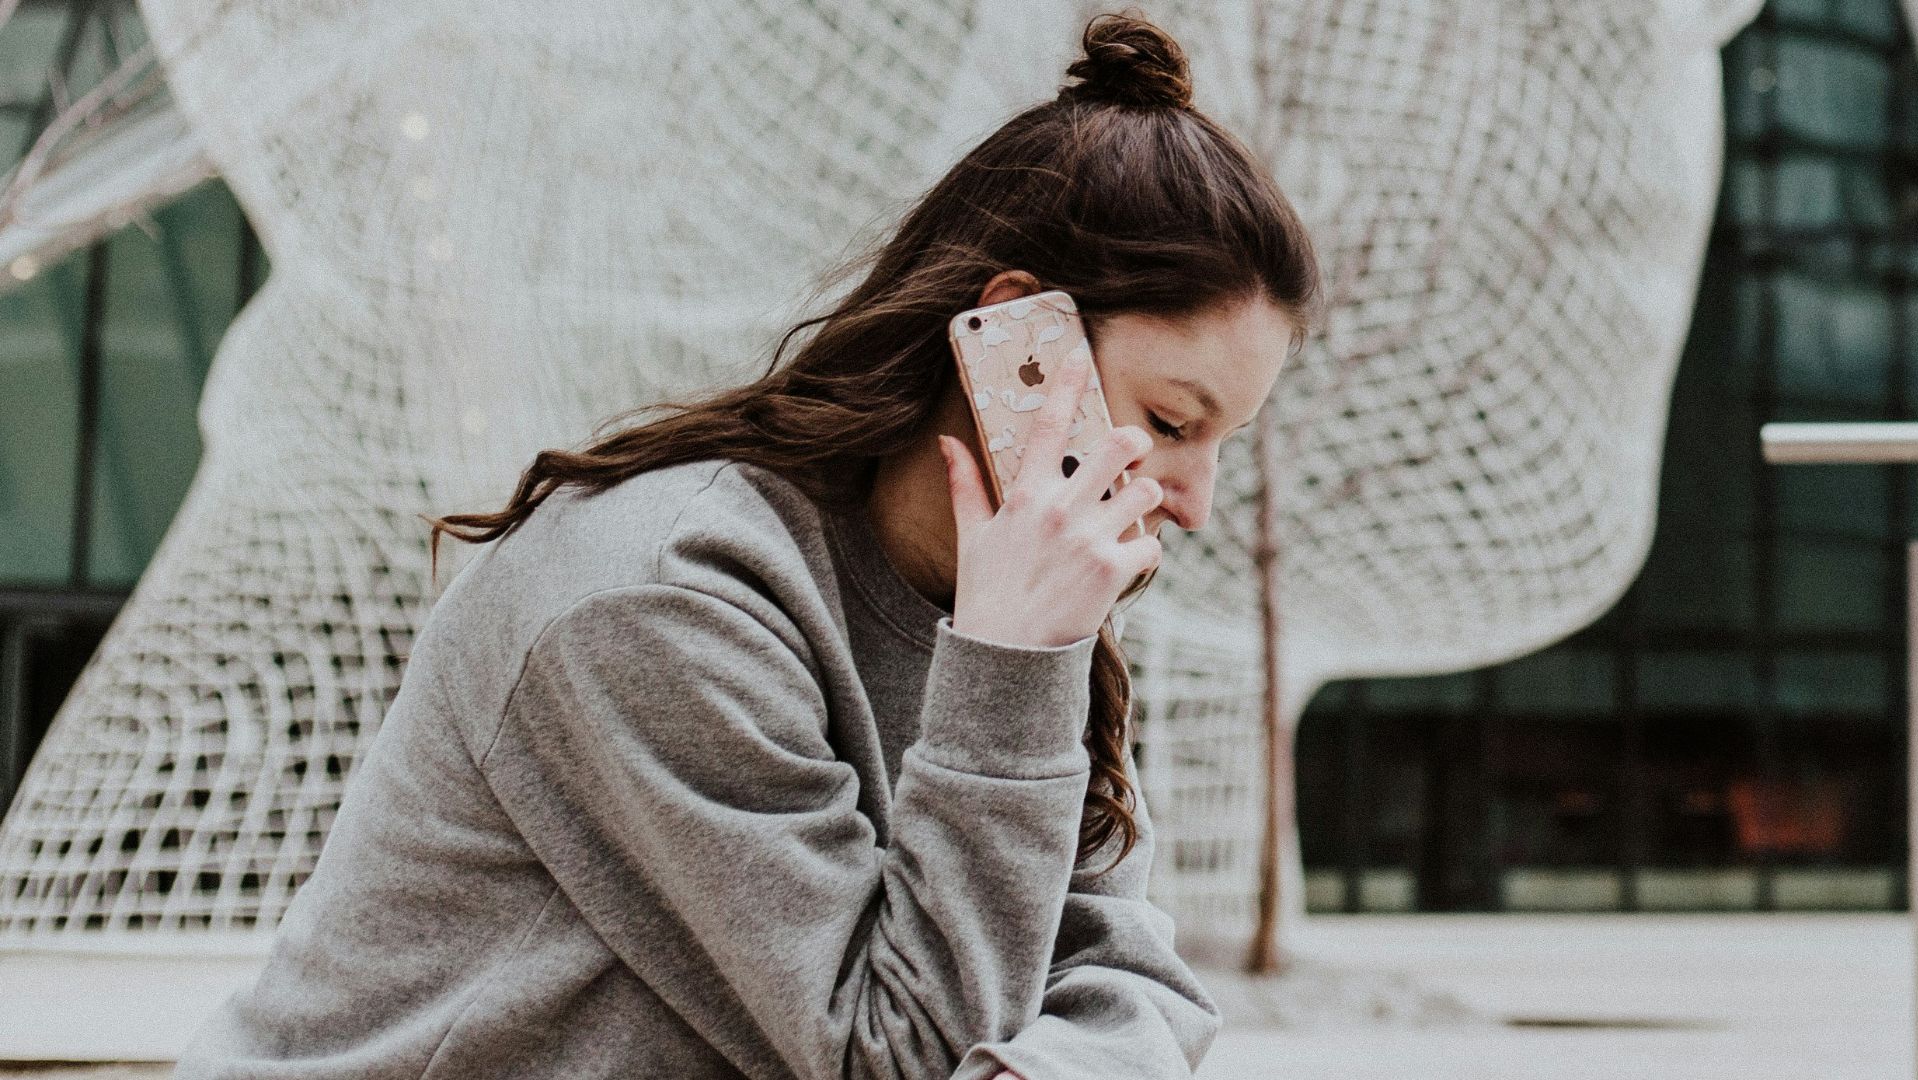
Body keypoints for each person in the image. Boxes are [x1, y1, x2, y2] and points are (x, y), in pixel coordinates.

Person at [171, 10, 1321, 1080]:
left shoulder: (1014, 610)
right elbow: (898, 1054)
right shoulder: (660, 599)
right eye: (1172, 423)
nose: (1194, 500)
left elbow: (1131, 976)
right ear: (1022, 345)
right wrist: (1013, 671)